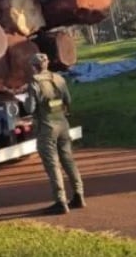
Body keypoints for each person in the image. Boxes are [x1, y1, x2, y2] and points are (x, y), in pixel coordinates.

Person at [24, 53, 85, 215]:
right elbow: (68, 100)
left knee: (53, 165)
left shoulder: (34, 83)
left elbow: (29, 108)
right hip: (63, 124)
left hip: (46, 128)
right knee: (68, 160)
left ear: (34, 67)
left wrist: (25, 98)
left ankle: (60, 201)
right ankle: (79, 195)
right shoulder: (59, 79)